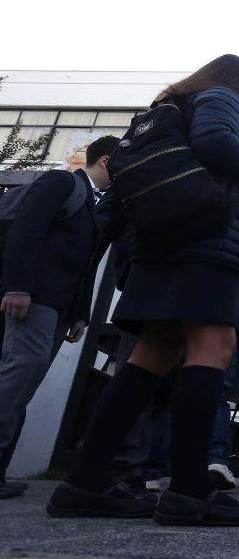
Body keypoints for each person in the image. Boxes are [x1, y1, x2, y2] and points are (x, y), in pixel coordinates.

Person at [47, 54, 239, 526]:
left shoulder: (179, 103)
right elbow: (217, 147)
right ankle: (190, 491)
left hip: (169, 244)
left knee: (149, 358)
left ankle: (84, 483)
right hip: (207, 247)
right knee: (213, 347)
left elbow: (210, 153)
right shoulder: (220, 97)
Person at [0, 135, 117, 499]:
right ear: (108, 161)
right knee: (21, 370)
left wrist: (79, 312)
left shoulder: (96, 203)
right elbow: (27, 230)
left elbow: (86, 264)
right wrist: (16, 286)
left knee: (26, 383)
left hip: (58, 308)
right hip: (31, 298)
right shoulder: (62, 182)